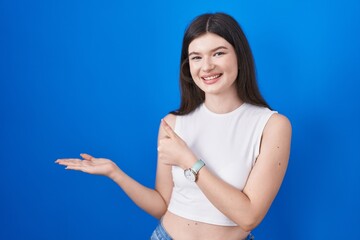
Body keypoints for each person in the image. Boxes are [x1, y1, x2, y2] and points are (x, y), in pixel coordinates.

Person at [55, 12, 292, 240]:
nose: (206, 66)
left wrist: (189, 161)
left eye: (218, 53)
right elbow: (162, 205)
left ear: (240, 56)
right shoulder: (173, 123)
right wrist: (115, 173)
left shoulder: (272, 126)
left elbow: (249, 217)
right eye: (196, 57)